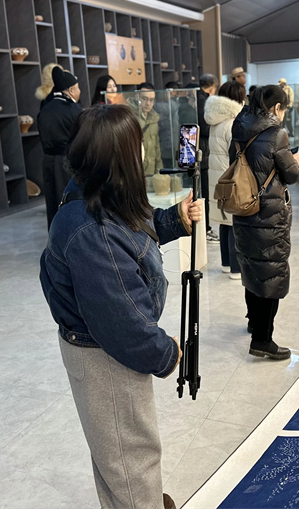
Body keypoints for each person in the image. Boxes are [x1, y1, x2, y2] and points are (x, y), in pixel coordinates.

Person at [40, 104, 203, 509]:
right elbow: (121, 321)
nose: (143, 152)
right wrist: (167, 353)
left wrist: (174, 219)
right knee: (129, 456)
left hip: (105, 346)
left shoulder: (95, 191)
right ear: (120, 155)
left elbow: (132, 232)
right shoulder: (90, 229)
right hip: (105, 355)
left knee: (119, 453)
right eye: (136, 144)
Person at [231, 85, 299, 360]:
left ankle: (253, 321)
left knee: (251, 267)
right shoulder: (276, 134)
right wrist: (294, 159)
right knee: (271, 273)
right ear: (277, 108)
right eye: (283, 109)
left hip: (243, 207)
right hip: (269, 213)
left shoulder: (240, 126)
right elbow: (292, 175)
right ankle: (262, 339)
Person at [204, 81, 245, 279]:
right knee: (233, 222)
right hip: (229, 178)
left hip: (217, 177)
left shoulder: (215, 120)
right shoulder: (232, 123)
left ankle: (226, 264)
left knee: (224, 222)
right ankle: (236, 269)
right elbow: (236, 155)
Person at [37, 67, 83, 229]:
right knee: (71, 200)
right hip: (68, 162)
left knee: (53, 203)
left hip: (48, 162)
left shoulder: (45, 108)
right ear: (71, 90)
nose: (79, 91)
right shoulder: (74, 110)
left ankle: (55, 235)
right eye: (78, 87)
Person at [197, 73, 218, 243]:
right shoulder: (203, 102)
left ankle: (204, 228)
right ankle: (205, 229)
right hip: (202, 152)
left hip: (199, 152)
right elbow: (204, 128)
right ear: (212, 87)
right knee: (204, 194)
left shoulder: (196, 98)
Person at [130, 83, 163, 177]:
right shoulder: (129, 116)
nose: (148, 103)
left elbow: (156, 147)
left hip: (151, 170)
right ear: (137, 97)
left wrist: (160, 170)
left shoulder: (154, 118)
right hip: (135, 171)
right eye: (144, 98)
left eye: (151, 100)